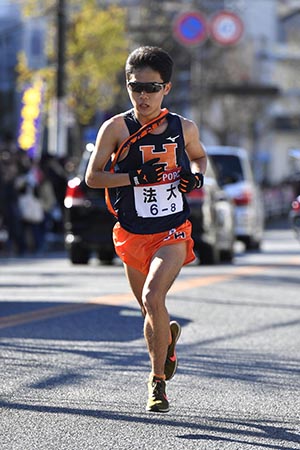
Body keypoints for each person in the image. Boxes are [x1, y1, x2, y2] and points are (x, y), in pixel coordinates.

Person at [85, 46, 207, 413]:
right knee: (148, 311)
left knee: (155, 296)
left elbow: (199, 156)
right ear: (128, 87)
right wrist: (136, 176)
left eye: (152, 88)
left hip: (171, 229)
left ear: (166, 88)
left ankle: (157, 385)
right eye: (135, 87)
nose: (143, 96)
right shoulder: (116, 128)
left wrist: (196, 177)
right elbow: (93, 178)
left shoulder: (182, 127)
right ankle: (166, 338)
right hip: (132, 232)